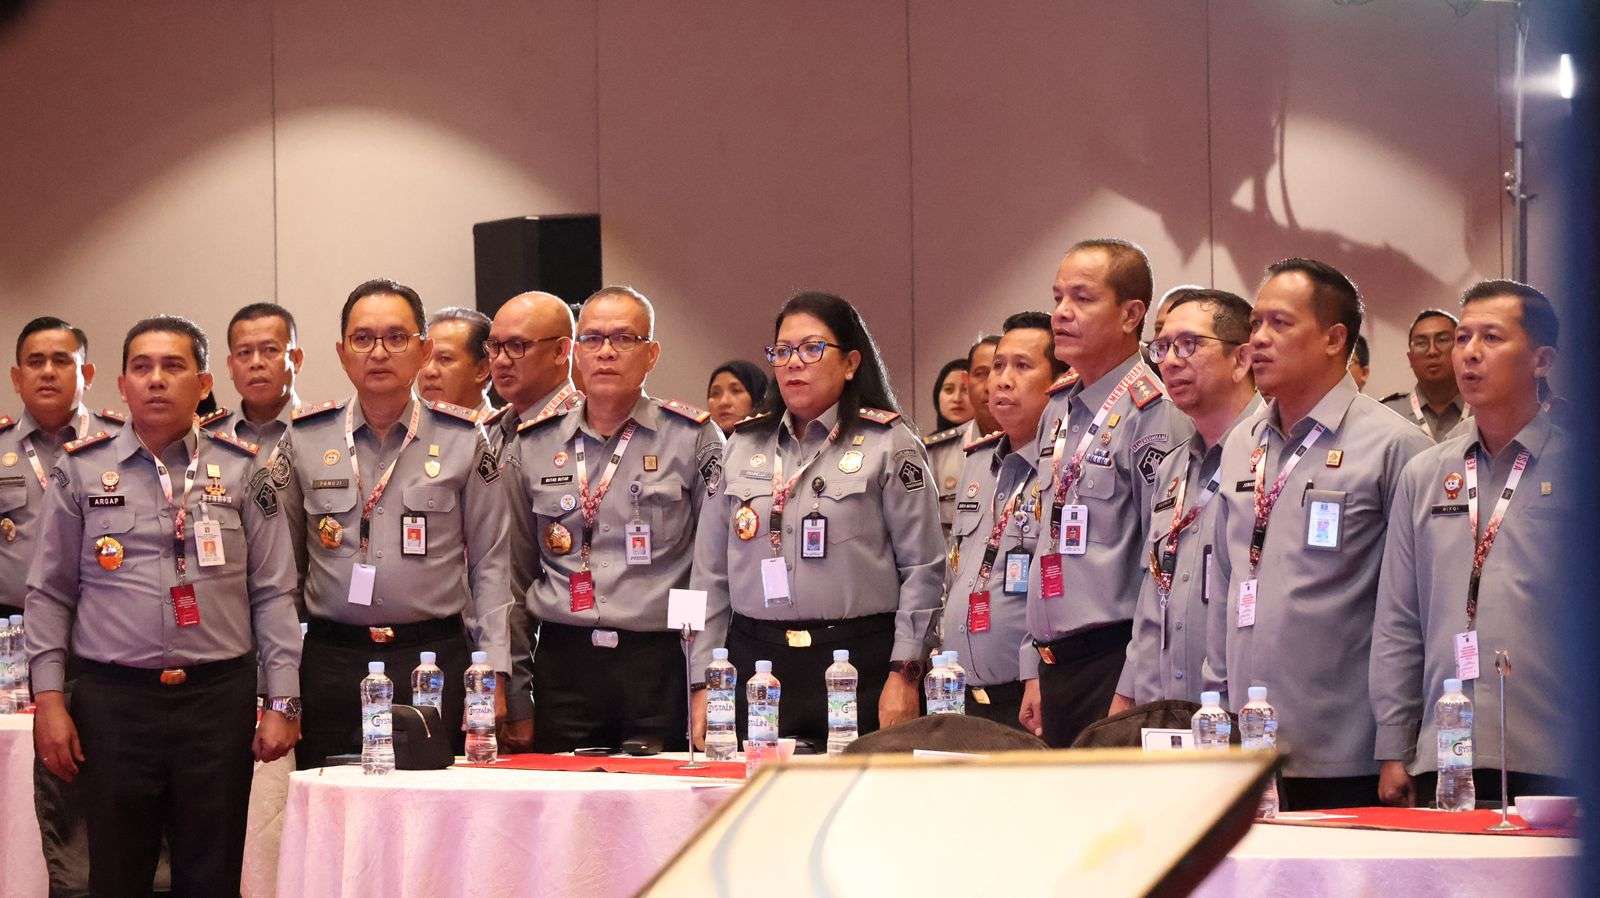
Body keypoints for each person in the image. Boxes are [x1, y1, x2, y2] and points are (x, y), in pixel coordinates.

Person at [26, 315, 301, 895]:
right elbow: (49, 592)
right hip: (113, 701)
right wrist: (49, 698)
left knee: (212, 872)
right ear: (122, 385)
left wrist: (283, 700)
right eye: (142, 368)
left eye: (173, 367)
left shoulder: (246, 468)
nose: (156, 380)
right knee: (117, 874)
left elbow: (273, 591)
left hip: (216, 700)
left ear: (203, 383)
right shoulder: (79, 470)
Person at [1202, 258, 1431, 810]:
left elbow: (1412, 608)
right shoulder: (1241, 444)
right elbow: (1224, 584)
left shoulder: (1395, 446)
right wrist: (1212, 712)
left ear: (1334, 339)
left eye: (1279, 324)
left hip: (1347, 751)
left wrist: (1397, 744)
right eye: (1255, 324)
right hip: (1246, 747)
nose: (1258, 339)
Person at [694, 291, 944, 750]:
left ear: (850, 363)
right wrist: (703, 682)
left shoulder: (889, 443)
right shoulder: (742, 446)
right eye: (782, 351)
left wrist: (905, 673)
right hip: (757, 666)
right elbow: (709, 577)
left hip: (859, 663)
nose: (793, 363)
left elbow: (923, 569)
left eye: (812, 349)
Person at [284, 278, 512, 769]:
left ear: (423, 349)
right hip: (331, 660)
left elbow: (491, 566)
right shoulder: (303, 440)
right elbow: (281, 575)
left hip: (432, 660)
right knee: (334, 816)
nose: (379, 352)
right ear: (343, 353)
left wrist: (492, 672)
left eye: (396, 337)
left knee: (434, 819)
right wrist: (279, 688)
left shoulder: (464, 440)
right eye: (363, 339)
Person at [1372, 280, 1571, 806]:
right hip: (1448, 754)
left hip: (1558, 750)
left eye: (1492, 338)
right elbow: (1398, 618)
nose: (1470, 354)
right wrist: (1394, 747)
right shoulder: (1426, 473)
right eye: (1463, 338)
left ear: (1542, 360)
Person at [509, 286, 723, 752]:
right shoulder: (533, 444)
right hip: (565, 661)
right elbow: (512, 573)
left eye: (624, 339)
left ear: (651, 354)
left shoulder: (691, 437)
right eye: (592, 338)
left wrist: (705, 678)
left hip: (658, 661)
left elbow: (712, 572)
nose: (606, 351)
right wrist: (516, 683)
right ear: (574, 353)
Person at [1019, 238, 1189, 747]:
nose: (1061, 314)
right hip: (1056, 664)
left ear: (1131, 314)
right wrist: (1033, 663)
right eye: (1057, 298)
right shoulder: (1057, 408)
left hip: (1114, 662)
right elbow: (1043, 543)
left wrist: (1131, 684)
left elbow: (1162, 566)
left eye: (1082, 299)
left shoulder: (1154, 410)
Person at [3, 316, 125, 897]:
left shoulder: (119, 442)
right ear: (15, 376)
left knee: (111, 797)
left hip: (108, 637)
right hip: (13, 640)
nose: (48, 371)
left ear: (89, 372)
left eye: (62, 359)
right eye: (35, 361)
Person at [1110, 288, 1258, 713]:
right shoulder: (1172, 468)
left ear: (1241, 359)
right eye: (1162, 347)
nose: (1170, 361)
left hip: (1243, 712)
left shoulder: (1273, 459)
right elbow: (1154, 590)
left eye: (1189, 344)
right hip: (1164, 708)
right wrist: (1126, 695)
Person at [938, 313, 1061, 729]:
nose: (1002, 381)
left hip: (1028, 690)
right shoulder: (975, 463)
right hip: (959, 692)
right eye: (997, 367)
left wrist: (1036, 671)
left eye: (1022, 367)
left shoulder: (1063, 468)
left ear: (1060, 381)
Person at [485, 291, 580, 751]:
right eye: (494, 347)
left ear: (562, 351)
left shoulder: (584, 435)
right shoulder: (492, 434)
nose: (502, 361)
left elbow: (523, 575)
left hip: (563, 659)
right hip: (495, 653)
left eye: (518, 347)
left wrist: (518, 688)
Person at [217, 302, 309, 591]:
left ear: (296, 358)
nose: (256, 362)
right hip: (228, 609)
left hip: (306, 612)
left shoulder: (323, 435)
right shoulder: (208, 439)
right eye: (244, 353)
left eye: (270, 350)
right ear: (231, 366)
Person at [1380, 310, 1469, 441]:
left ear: (1461, 350)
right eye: (1421, 343)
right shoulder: (1386, 414)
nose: (1432, 351)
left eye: (1442, 340)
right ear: (1410, 358)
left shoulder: (1485, 411)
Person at [925, 353, 980, 532]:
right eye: (948, 389)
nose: (957, 398)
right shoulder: (924, 449)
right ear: (937, 396)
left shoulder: (996, 445)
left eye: (965, 390)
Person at [419, 306, 494, 416]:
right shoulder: (402, 430)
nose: (429, 371)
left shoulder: (505, 431)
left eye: (445, 359)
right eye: (424, 358)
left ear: (482, 370)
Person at [706, 359, 768, 435]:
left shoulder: (777, 443)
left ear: (758, 399)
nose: (723, 402)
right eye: (715, 393)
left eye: (736, 390)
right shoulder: (699, 443)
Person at [965, 335, 1001, 439]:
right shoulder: (937, 453)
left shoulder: (1044, 444)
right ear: (965, 381)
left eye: (999, 372)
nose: (989, 387)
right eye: (980, 374)